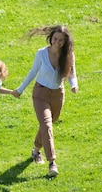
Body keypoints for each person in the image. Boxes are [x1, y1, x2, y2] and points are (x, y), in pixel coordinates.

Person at [12, 25, 78, 177]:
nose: (57, 42)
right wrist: (20, 89)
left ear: (65, 41)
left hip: (58, 94)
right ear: (51, 38)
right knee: (47, 125)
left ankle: (36, 150)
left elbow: (72, 73)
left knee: (47, 124)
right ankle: (52, 163)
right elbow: (33, 72)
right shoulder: (42, 53)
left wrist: (74, 85)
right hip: (41, 93)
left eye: (61, 40)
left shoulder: (69, 54)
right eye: (55, 39)